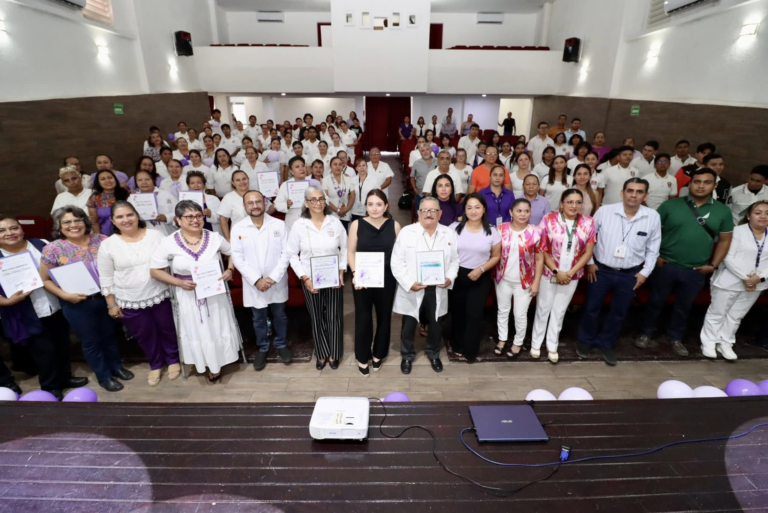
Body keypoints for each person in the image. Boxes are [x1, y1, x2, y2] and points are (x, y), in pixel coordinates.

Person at [636, 168, 734, 356]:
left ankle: (676, 337)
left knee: (684, 306)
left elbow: (725, 241)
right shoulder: (670, 206)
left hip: (696, 269)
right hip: (666, 265)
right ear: (689, 184)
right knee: (655, 301)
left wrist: (712, 266)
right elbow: (651, 233)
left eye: (706, 182)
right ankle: (645, 333)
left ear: (714, 185)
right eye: (696, 181)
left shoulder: (722, 211)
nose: (700, 185)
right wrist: (655, 256)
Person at [40, 207, 131, 392]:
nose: (73, 225)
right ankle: (104, 376)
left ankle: (117, 367)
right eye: (67, 222)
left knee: (109, 336)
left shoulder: (102, 240)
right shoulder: (53, 248)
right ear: (59, 226)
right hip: (76, 303)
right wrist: (65, 295)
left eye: (78, 220)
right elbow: (45, 279)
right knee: (91, 341)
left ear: (85, 222)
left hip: (106, 298)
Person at [150, 200, 239, 383]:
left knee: (216, 325)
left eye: (198, 215)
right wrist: (178, 283)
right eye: (189, 216)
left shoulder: (214, 237)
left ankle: (221, 360)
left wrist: (229, 270)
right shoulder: (168, 242)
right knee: (198, 329)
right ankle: (206, 363)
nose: (195, 220)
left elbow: (232, 253)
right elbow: (155, 270)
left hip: (215, 293)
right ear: (178, 219)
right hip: (188, 295)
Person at [0, 216, 88, 400]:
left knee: (62, 344)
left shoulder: (41, 244)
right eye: (2, 231)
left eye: (13, 228)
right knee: (43, 351)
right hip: (27, 311)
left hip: (55, 303)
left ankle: (65, 377)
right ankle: (50, 386)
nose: (9, 233)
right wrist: (6, 301)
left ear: (22, 230)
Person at [577, 179, 661, 365]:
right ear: (622, 193)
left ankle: (606, 343)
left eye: (639, 192)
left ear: (646, 196)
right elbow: (589, 238)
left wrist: (645, 272)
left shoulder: (652, 216)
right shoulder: (605, 211)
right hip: (600, 270)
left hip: (631, 273)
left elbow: (653, 249)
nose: (634, 195)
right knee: (591, 307)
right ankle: (585, 341)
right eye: (630, 190)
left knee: (619, 311)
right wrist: (589, 262)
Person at [98, 201, 179, 386]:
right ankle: (156, 363)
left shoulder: (156, 235)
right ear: (112, 220)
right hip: (129, 299)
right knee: (144, 334)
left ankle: (173, 360)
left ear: (137, 215)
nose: (126, 220)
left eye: (129, 215)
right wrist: (111, 304)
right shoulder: (108, 245)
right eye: (120, 217)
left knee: (167, 329)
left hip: (160, 293)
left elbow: (172, 259)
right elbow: (105, 277)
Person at [391, 197, 459, 374]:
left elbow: (455, 260)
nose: (429, 214)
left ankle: (433, 353)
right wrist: (408, 283)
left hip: (437, 289)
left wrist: (450, 278)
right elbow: (396, 262)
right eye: (425, 211)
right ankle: (406, 356)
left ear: (440, 214)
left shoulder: (449, 233)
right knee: (409, 325)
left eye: (433, 210)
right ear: (419, 213)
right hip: (413, 288)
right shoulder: (407, 232)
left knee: (436, 325)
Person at [286, 186, 348, 370]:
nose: (318, 203)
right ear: (306, 203)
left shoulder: (335, 222)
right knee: (316, 316)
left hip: (333, 277)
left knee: (334, 316)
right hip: (310, 278)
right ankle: (321, 353)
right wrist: (305, 278)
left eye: (321, 199)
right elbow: (291, 254)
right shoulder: (299, 225)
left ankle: (335, 353)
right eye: (313, 199)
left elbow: (344, 250)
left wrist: (341, 271)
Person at [231, 190, 293, 370]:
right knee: (258, 318)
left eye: (258, 201)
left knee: (280, 315)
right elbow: (237, 258)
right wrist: (256, 280)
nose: (255, 205)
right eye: (250, 203)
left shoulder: (279, 225)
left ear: (264, 203)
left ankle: (281, 344)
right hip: (253, 284)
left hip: (277, 281)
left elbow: (286, 254)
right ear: (244, 206)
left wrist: (272, 278)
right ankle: (263, 347)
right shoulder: (238, 228)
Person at [531, 190, 596, 363]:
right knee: (543, 308)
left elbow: (588, 252)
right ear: (561, 203)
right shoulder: (548, 220)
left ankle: (552, 344)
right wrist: (556, 271)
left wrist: (570, 273)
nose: (574, 206)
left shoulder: (588, 222)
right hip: (549, 271)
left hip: (571, 275)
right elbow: (541, 249)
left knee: (559, 311)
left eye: (578, 202)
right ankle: (536, 343)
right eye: (569, 202)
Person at [700, 200, 768, 360]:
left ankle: (726, 342)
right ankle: (709, 342)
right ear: (749, 216)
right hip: (729, 280)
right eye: (758, 213)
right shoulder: (737, 231)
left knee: (736, 316)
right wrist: (746, 278)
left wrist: (759, 277)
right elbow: (728, 257)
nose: (763, 216)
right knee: (717, 313)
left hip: (757, 284)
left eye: (767, 213)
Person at [347, 190, 401, 376]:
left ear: (386, 206)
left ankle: (379, 354)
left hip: (387, 278)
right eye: (370, 204)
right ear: (365, 206)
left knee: (384, 317)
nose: (374, 208)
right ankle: (362, 357)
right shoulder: (356, 224)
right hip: (363, 278)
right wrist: (355, 274)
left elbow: (400, 255)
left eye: (379, 204)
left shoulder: (394, 226)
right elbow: (351, 252)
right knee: (363, 318)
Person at [449, 194, 501, 361]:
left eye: (477, 207)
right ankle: (457, 345)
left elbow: (496, 256)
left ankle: (471, 349)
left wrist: (480, 269)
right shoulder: (454, 228)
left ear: (484, 209)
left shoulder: (492, 232)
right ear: (464, 210)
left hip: (480, 276)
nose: (473, 211)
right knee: (458, 313)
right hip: (457, 275)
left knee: (474, 314)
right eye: (469, 207)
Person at [493, 199, 544, 358]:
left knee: (520, 314)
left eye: (526, 211)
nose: (523, 214)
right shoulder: (500, 229)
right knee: (503, 310)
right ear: (511, 212)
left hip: (525, 281)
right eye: (519, 211)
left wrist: (536, 283)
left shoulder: (537, 232)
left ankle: (517, 342)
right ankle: (502, 339)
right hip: (503, 279)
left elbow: (540, 259)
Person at [275, 157, 323, 231]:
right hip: (293, 223)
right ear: (291, 171)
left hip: (312, 221)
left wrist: (317, 200)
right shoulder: (286, 185)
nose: (301, 169)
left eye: (303, 166)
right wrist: (287, 205)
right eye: (297, 167)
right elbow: (277, 204)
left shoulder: (313, 183)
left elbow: (326, 200)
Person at [133, 169, 176, 236]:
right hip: (143, 236)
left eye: (147, 179)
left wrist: (167, 217)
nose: (144, 182)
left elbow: (180, 214)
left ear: (153, 180)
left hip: (166, 235)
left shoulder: (166, 195)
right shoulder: (132, 199)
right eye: (140, 180)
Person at [219, 170, 258, 242]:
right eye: (238, 180)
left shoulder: (256, 194)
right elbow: (223, 220)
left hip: (258, 234)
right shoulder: (228, 197)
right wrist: (228, 238)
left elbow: (267, 211)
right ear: (233, 183)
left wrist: (276, 201)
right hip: (239, 236)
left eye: (244, 179)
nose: (242, 182)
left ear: (248, 179)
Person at [87, 169, 129, 236]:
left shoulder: (127, 194)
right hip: (106, 236)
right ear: (98, 182)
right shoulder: (94, 198)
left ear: (115, 179)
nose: (108, 181)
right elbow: (95, 223)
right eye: (103, 179)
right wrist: (100, 239)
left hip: (128, 233)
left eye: (110, 178)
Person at [323, 156, 356, 229]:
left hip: (345, 213)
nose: (338, 167)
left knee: (344, 236)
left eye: (340, 164)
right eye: (335, 164)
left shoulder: (348, 179)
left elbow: (352, 196)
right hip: (331, 213)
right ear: (330, 166)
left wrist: (346, 210)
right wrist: (338, 210)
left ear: (343, 166)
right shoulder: (325, 180)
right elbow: (325, 198)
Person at [350, 158, 383, 222]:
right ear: (356, 168)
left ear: (367, 167)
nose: (362, 168)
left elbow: (378, 195)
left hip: (370, 210)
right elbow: (351, 196)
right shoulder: (352, 180)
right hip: (355, 210)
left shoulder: (374, 179)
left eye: (363, 165)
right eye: (359, 166)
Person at [410, 143, 438, 213]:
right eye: (423, 151)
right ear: (420, 153)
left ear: (431, 150)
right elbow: (412, 177)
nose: (425, 152)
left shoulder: (438, 161)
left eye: (427, 149)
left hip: (436, 195)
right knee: (420, 216)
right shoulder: (416, 163)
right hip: (420, 194)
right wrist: (414, 189)